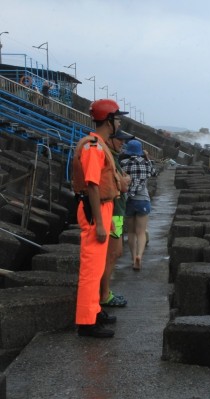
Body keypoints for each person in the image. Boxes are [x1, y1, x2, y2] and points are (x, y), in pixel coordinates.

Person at [71, 98, 128, 338]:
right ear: (109, 120)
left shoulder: (99, 144)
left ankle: (94, 311)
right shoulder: (93, 147)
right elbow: (93, 186)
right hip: (95, 210)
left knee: (97, 266)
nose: (120, 122)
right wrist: (101, 223)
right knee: (91, 269)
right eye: (117, 118)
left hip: (103, 208)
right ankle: (86, 323)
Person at [100, 129, 133, 308]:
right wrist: (125, 181)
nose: (122, 143)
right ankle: (104, 294)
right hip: (113, 213)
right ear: (111, 139)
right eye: (120, 139)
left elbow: (123, 182)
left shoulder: (113, 157)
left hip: (116, 212)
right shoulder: (110, 157)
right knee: (112, 254)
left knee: (115, 253)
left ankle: (105, 292)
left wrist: (124, 181)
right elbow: (124, 185)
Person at [120, 139, 157, 271]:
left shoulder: (123, 163)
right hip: (143, 200)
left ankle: (132, 257)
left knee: (131, 232)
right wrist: (147, 157)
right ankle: (139, 256)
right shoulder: (146, 163)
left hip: (128, 200)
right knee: (141, 232)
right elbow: (154, 173)